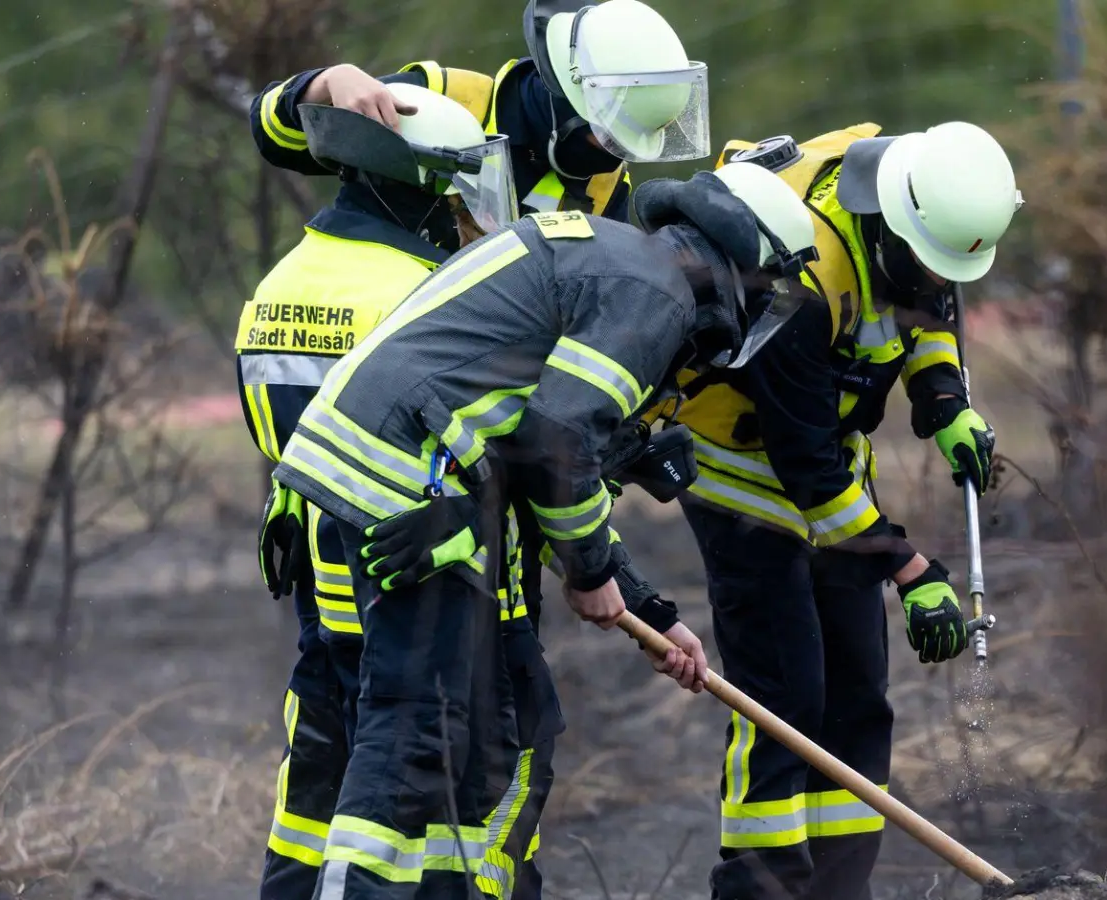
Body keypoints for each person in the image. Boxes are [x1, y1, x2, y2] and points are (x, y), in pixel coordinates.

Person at [269, 161, 821, 900]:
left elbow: (535, 461)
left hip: (371, 470)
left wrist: (646, 608)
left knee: (434, 724)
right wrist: (590, 575)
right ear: (739, 269)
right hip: (414, 484)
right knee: (417, 725)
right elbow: (556, 443)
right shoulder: (653, 296)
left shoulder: (607, 254)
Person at [645, 121, 1024, 899]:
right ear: (892, 229)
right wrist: (909, 568)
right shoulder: (801, 283)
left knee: (856, 696)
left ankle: (836, 889)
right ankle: (762, 886)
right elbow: (809, 474)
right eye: (923, 261)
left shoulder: (915, 214)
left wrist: (944, 398)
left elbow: (927, 310)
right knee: (782, 695)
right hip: (741, 468)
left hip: (824, 453)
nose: (933, 278)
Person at [240, 84, 516, 900]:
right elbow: (482, 456)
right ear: (423, 189)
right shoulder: (430, 299)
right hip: (413, 585)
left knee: (313, 794)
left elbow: (293, 443)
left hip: (321, 597)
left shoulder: (277, 288)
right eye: (459, 188)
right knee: (410, 809)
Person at [250, 0, 709, 227]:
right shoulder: (439, 98)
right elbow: (275, 139)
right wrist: (325, 83)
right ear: (563, 101)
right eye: (607, 137)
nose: (611, 158)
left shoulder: (607, 187)